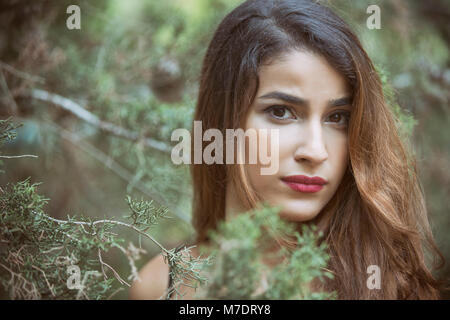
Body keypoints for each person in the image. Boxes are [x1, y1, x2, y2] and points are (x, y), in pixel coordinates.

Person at [129, 0, 444, 300]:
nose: (315, 151)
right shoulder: (160, 285)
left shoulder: (390, 282)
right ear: (223, 121)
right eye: (281, 112)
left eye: (338, 118)